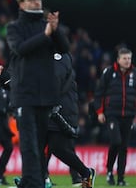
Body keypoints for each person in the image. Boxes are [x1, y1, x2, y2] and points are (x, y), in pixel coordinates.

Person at [6, 0, 70, 188]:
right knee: (28, 143)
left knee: (41, 144)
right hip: (25, 94)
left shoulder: (47, 25)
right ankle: (34, 183)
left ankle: (33, 181)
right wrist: (45, 34)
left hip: (46, 95)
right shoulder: (14, 28)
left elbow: (64, 48)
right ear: (22, 3)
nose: (37, 2)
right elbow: (22, 49)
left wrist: (55, 30)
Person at [43, 53, 95, 188]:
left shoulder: (59, 56)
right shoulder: (47, 55)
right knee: (40, 145)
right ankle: (40, 179)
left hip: (62, 110)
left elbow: (56, 81)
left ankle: (85, 172)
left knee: (58, 148)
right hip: (52, 109)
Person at [94, 47, 136, 186]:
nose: (127, 61)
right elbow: (99, 93)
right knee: (116, 142)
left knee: (124, 147)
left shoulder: (134, 74)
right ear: (118, 60)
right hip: (112, 114)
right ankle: (110, 171)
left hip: (129, 115)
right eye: (125, 58)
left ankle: (121, 178)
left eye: (129, 58)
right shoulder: (109, 72)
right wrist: (100, 112)